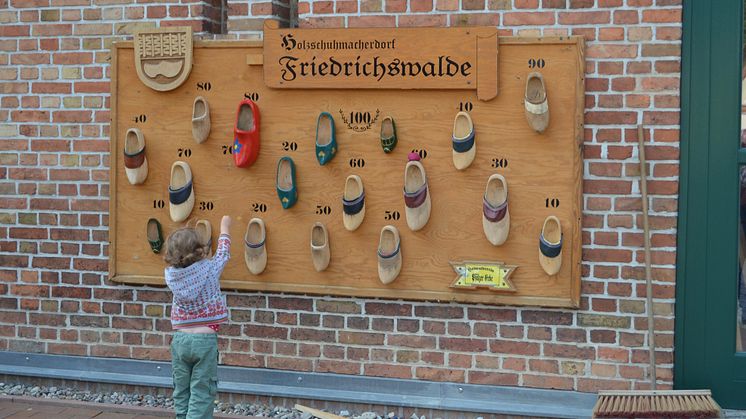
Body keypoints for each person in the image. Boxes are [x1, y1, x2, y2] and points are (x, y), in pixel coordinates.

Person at [164, 215, 231, 419]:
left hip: (180, 340)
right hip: (205, 338)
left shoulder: (171, 276)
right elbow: (223, 254)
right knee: (202, 389)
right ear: (200, 250)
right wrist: (225, 228)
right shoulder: (210, 270)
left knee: (181, 388)